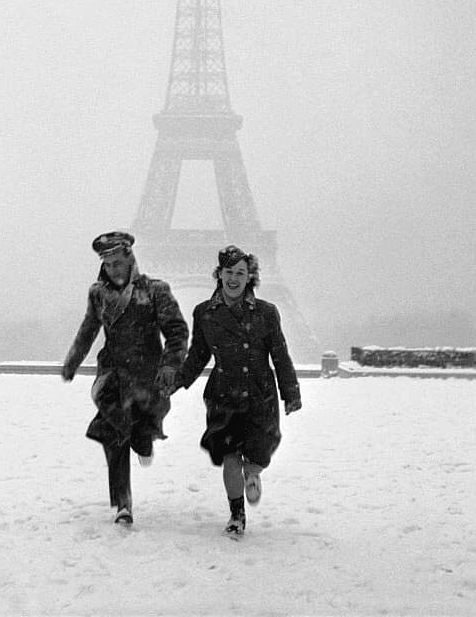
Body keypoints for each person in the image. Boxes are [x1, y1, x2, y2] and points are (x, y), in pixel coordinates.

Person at [174, 245, 301, 537]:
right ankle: (236, 514)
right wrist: (176, 381)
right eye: (229, 272)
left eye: (240, 273)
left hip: (260, 394)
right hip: (224, 394)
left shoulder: (267, 313)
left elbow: (279, 354)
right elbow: (198, 355)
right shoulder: (205, 313)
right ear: (219, 275)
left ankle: (253, 472)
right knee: (230, 456)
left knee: (259, 453)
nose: (234, 279)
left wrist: (290, 392)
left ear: (249, 277)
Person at [61, 230, 188, 525]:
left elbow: (177, 331)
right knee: (114, 432)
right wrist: (72, 362)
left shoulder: (155, 291)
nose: (114, 270)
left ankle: (144, 438)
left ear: (131, 260)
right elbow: (89, 329)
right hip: (114, 376)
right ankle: (123, 502)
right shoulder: (98, 294)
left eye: (118, 263)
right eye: (108, 265)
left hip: (147, 376)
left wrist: (171, 365)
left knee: (138, 431)